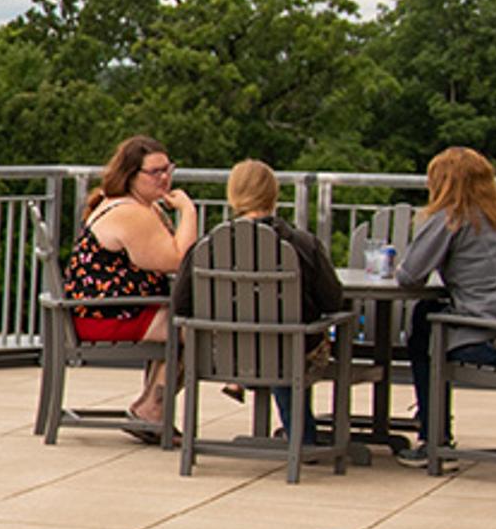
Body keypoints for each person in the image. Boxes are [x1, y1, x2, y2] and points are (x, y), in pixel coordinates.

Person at [174, 161, 348, 438]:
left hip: (226, 353)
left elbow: (181, 304)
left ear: (233, 195)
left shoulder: (207, 247)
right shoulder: (304, 245)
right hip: (294, 353)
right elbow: (332, 302)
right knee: (288, 340)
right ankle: (303, 438)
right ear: (273, 194)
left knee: (270, 342)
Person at [393, 146, 496, 449]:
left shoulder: (452, 216)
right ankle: (432, 427)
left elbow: (409, 276)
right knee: (430, 315)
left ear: (442, 183)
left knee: (424, 321)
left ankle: (434, 438)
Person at [60, 134, 199, 441]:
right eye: (154, 172)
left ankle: (149, 407)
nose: (164, 178)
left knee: (189, 317)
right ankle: (150, 409)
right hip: (106, 315)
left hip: (118, 308)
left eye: (168, 169)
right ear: (131, 175)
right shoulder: (131, 213)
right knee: (196, 327)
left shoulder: (137, 206)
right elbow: (179, 260)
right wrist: (189, 211)